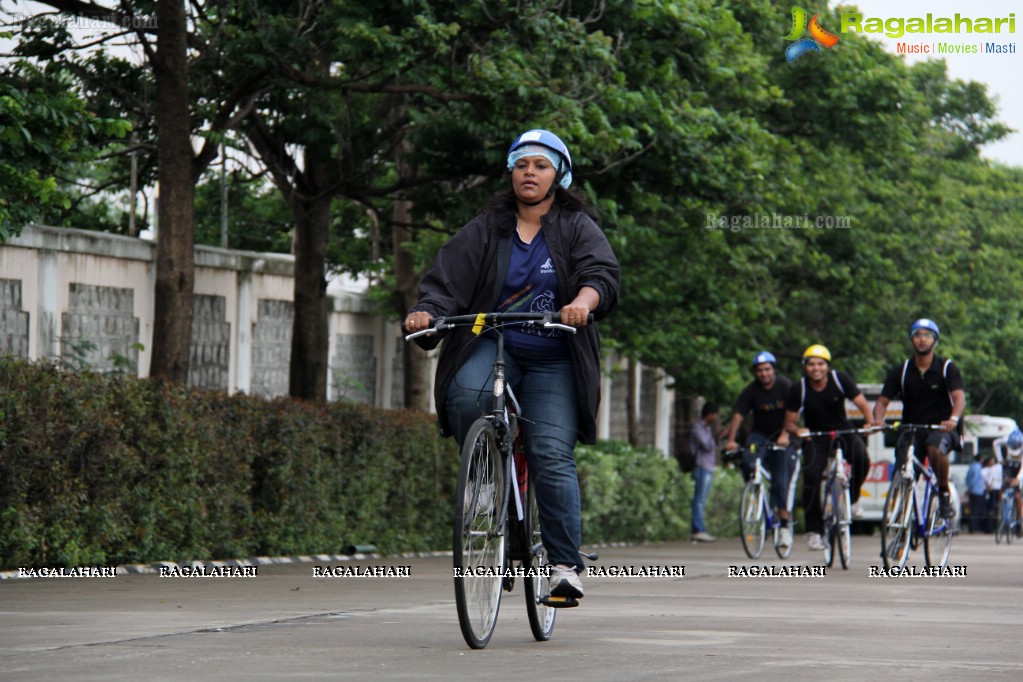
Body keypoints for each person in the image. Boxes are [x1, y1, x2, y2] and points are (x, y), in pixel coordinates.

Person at [404, 129, 620, 601]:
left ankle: (564, 565)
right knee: (465, 392)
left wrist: (583, 302)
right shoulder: (486, 228)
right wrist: (427, 311)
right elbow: (446, 282)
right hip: (493, 340)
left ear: (558, 175)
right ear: (511, 172)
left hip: (553, 356)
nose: (530, 172)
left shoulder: (576, 226)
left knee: (550, 452)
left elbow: (599, 275)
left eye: (541, 165)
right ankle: (487, 479)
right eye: (522, 164)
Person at [784, 344, 876, 551]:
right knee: (811, 477)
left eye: (820, 364)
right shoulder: (799, 388)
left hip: (842, 430)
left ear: (827, 366)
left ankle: (853, 499)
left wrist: (869, 422)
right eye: (811, 364)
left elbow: (861, 403)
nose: (816, 368)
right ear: (805, 367)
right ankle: (814, 531)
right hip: (816, 436)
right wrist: (797, 431)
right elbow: (789, 422)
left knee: (862, 458)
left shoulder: (839, 379)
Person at [871, 318, 966, 519]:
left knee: (934, 447)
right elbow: (882, 402)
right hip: (912, 430)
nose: (922, 339)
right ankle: (901, 522)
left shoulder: (947, 368)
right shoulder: (902, 371)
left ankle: (943, 492)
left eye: (927, 335)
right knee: (901, 473)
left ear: (935, 340)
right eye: (917, 335)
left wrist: (953, 419)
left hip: (942, 429)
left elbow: (959, 398)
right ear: (912, 340)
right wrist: (878, 420)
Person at [724, 351, 798, 551]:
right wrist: (731, 440)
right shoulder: (751, 391)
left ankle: (783, 526)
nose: (764, 374)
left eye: (767, 369)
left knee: (781, 482)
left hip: (783, 436)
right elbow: (739, 414)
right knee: (748, 459)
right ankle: (754, 489)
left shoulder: (785, 386)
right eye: (759, 370)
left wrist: (785, 435)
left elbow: (794, 413)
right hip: (760, 435)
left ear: (773, 370)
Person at [691, 402, 722, 543]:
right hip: (701, 466)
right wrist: (718, 436)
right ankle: (698, 529)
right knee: (699, 499)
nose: (716, 417)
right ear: (708, 414)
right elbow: (707, 445)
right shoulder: (698, 427)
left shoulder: (707, 428)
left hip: (708, 466)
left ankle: (700, 528)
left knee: (703, 499)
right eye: (714, 414)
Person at [993, 428, 1023, 536]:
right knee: (1004, 484)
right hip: (1009, 465)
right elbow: (995, 443)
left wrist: (1018, 478)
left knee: (1017, 495)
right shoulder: (1006, 440)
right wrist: (1000, 459)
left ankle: (1019, 521)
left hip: (1019, 467)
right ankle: (1000, 505)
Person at [965, 453, 987, 534]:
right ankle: (974, 527)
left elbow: (967, 478)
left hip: (972, 491)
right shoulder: (979, 467)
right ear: (980, 459)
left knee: (972, 509)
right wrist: (972, 487)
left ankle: (971, 527)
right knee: (977, 510)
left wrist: (969, 488)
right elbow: (975, 479)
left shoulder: (971, 466)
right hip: (978, 491)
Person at [982, 455, 1003, 534]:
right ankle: (998, 527)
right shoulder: (1002, 467)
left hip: (993, 490)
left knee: (991, 509)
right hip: (1001, 490)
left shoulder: (992, 469)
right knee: (998, 509)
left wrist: (988, 488)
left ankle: (990, 528)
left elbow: (989, 481)